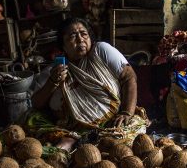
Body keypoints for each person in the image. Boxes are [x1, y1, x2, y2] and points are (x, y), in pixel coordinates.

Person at [30, 17, 148, 149]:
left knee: (127, 137)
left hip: (112, 122)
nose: (80, 39)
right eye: (73, 36)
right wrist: (53, 82)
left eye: (84, 34)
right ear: (62, 45)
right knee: (32, 122)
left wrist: (127, 112)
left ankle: (84, 143)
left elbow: (129, 77)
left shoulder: (101, 51)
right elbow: (36, 104)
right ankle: (77, 141)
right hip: (71, 129)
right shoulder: (54, 71)